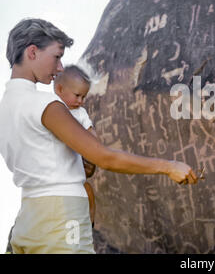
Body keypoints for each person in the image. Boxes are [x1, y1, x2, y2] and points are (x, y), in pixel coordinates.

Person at [0, 18, 198, 254]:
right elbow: (104, 158)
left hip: (28, 219)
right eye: (56, 56)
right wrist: (168, 166)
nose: (61, 67)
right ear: (32, 52)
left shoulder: (6, 107)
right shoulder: (45, 104)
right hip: (61, 217)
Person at [53, 65, 98, 227]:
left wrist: (92, 154)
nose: (80, 101)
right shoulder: (51, 109)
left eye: (84, 97)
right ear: (59, 89)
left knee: (86, 190)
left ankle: (89, 223)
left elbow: (92, 135)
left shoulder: (80, 113)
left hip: (75, 170)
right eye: (77, 95)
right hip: (55, 173)